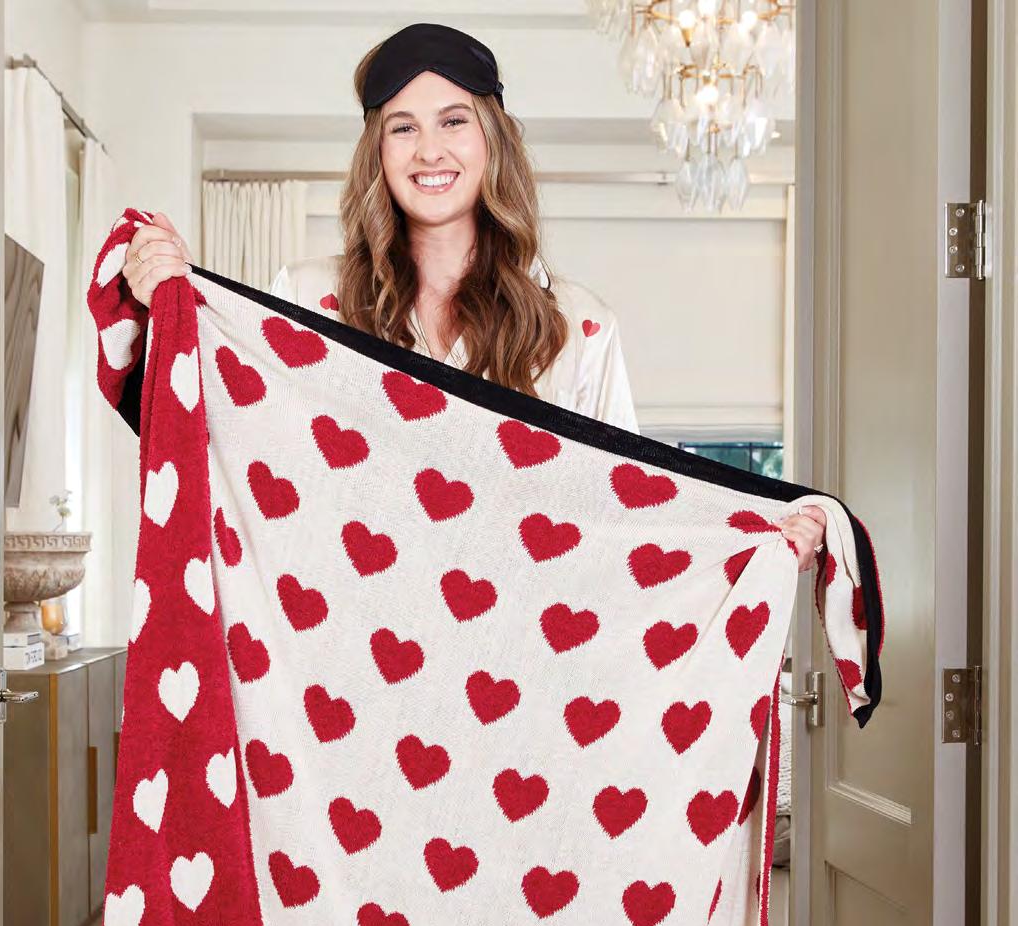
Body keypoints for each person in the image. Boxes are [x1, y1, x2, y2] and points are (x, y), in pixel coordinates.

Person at [118, 21, 826, 570]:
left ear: (491, 141)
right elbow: (230, 449)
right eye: (403, 127)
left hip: (519, 672)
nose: (430, 150)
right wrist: (165, 312)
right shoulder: (307, 299)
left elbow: (629, 508)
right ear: (378, 152)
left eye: (453, 121)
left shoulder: (578, 327)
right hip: (350, 666)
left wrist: (757, 537)